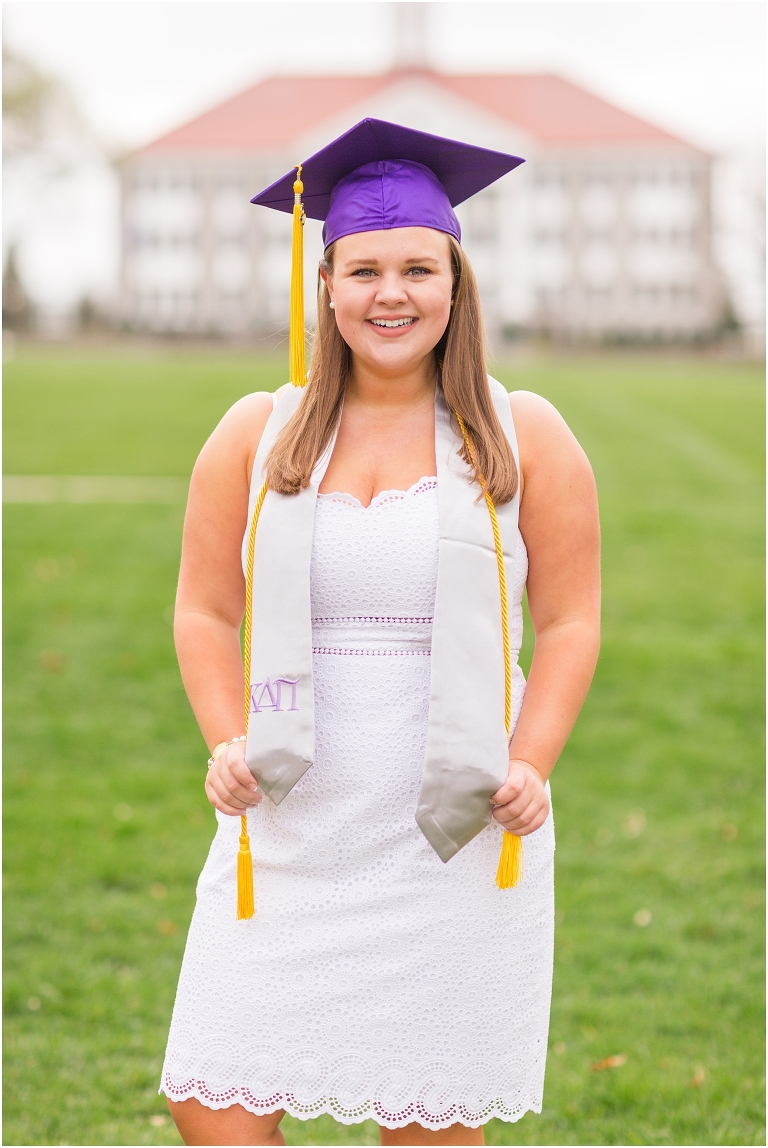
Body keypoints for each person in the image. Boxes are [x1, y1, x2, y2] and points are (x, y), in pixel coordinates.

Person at [160, 119, 600, 1147]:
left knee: (424, 1126)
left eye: (417, 267)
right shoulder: (258, 431)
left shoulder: (521, 431)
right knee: (212, 1098)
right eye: (363, 268)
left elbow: (572, 617)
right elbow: (202, 608)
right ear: (324, 283)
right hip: (289, 820)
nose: (390, 293)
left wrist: (532, 762)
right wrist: (227, 740)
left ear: (457, 280)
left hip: (449, 826)